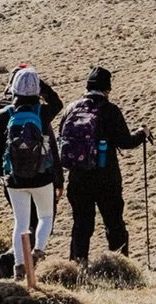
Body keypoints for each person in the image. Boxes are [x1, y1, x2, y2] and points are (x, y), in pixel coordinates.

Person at [0, 66, 63, 291]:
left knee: (20, 223)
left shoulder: (3, 114)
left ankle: (19, 266)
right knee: (46, 215)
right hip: (42, 176)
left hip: (14, 179)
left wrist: (3, 171)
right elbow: (57, 101)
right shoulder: (43, 112)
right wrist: (41, 84)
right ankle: (38, 249)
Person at [60, 66, 148, 264]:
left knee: (81, 226)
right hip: (106, 178)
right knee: (114, 223)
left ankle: (76, 268)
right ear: (107, 88)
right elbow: (125, 142)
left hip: (78, 177)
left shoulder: (71, 109)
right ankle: (120, 268)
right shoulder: (109, 110)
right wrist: (142, 133)